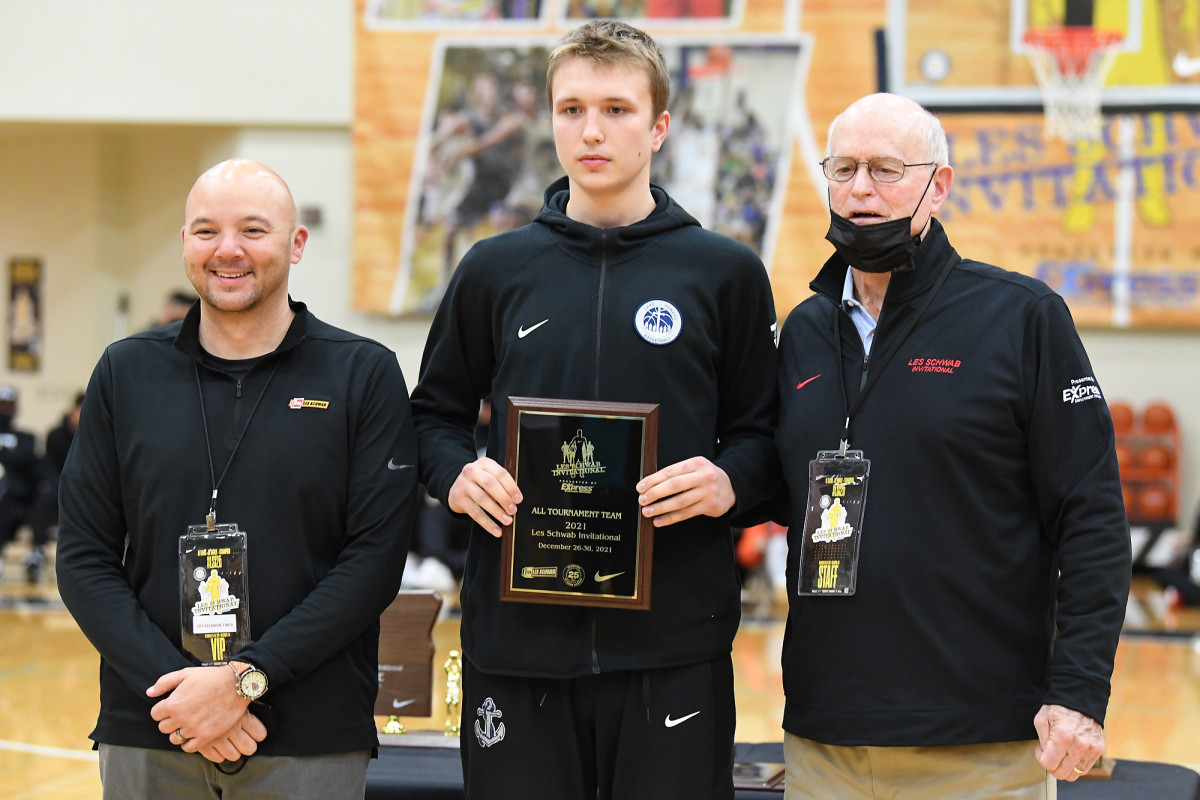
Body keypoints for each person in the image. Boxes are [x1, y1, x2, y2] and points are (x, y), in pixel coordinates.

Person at [410, 20, 778, 800]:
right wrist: (456, 475)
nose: (592, 130)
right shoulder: (493, 270)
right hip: (517, 644)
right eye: (572, 109)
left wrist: (729, 482)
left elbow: (764, 436)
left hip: (673, 646)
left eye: (616, 109)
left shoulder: (726, 274)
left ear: (659, 126)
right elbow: (429, 418)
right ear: (550, 120)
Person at [773, 92, 1131, 798]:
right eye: (842, 168)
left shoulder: (1022, 318)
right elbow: (767, 480)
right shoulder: (804, 332)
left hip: (983, 745)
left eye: (885, 168)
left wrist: (1080, 691)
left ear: (939, 185)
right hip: (825, 740)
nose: (861, 190)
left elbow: (1090, 517)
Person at [56, 159, 419, 799]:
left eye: (253, 230)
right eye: (206, 232)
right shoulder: (125, 373)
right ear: (185, 243)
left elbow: (373, 563)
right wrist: (184, 692)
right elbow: (84, 559)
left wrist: (243, 682)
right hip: (153, 724)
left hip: (310, 732)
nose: (228, 251)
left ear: (296, 244)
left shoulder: (363, 374)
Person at [22, 390, 84, 584]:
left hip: (85, 488)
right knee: (45, 492)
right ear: (72, 411)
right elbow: (49, 469)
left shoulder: (95, 435)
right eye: (80, 410)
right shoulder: (56, 435)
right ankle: (37, 551)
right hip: (60, 486)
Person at [0, 384, 44, 582]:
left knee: (44, 495)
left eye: (8, 406)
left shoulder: (27, 437)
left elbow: (29, 460)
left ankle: (36, 553)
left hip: (21, 498)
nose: (4, 410)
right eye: (1, 405)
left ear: (16, 409)